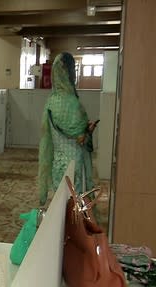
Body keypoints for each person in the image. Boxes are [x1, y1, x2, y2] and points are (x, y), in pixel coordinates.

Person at [38, 52, 97, 206]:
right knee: (74, 205)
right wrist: (89, 130)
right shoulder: (73, 104)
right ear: (70, 74)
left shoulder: (51, 102)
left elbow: (49, 136)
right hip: (74, 163)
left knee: (60, 203)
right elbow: (81, 138)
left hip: (58, 163)